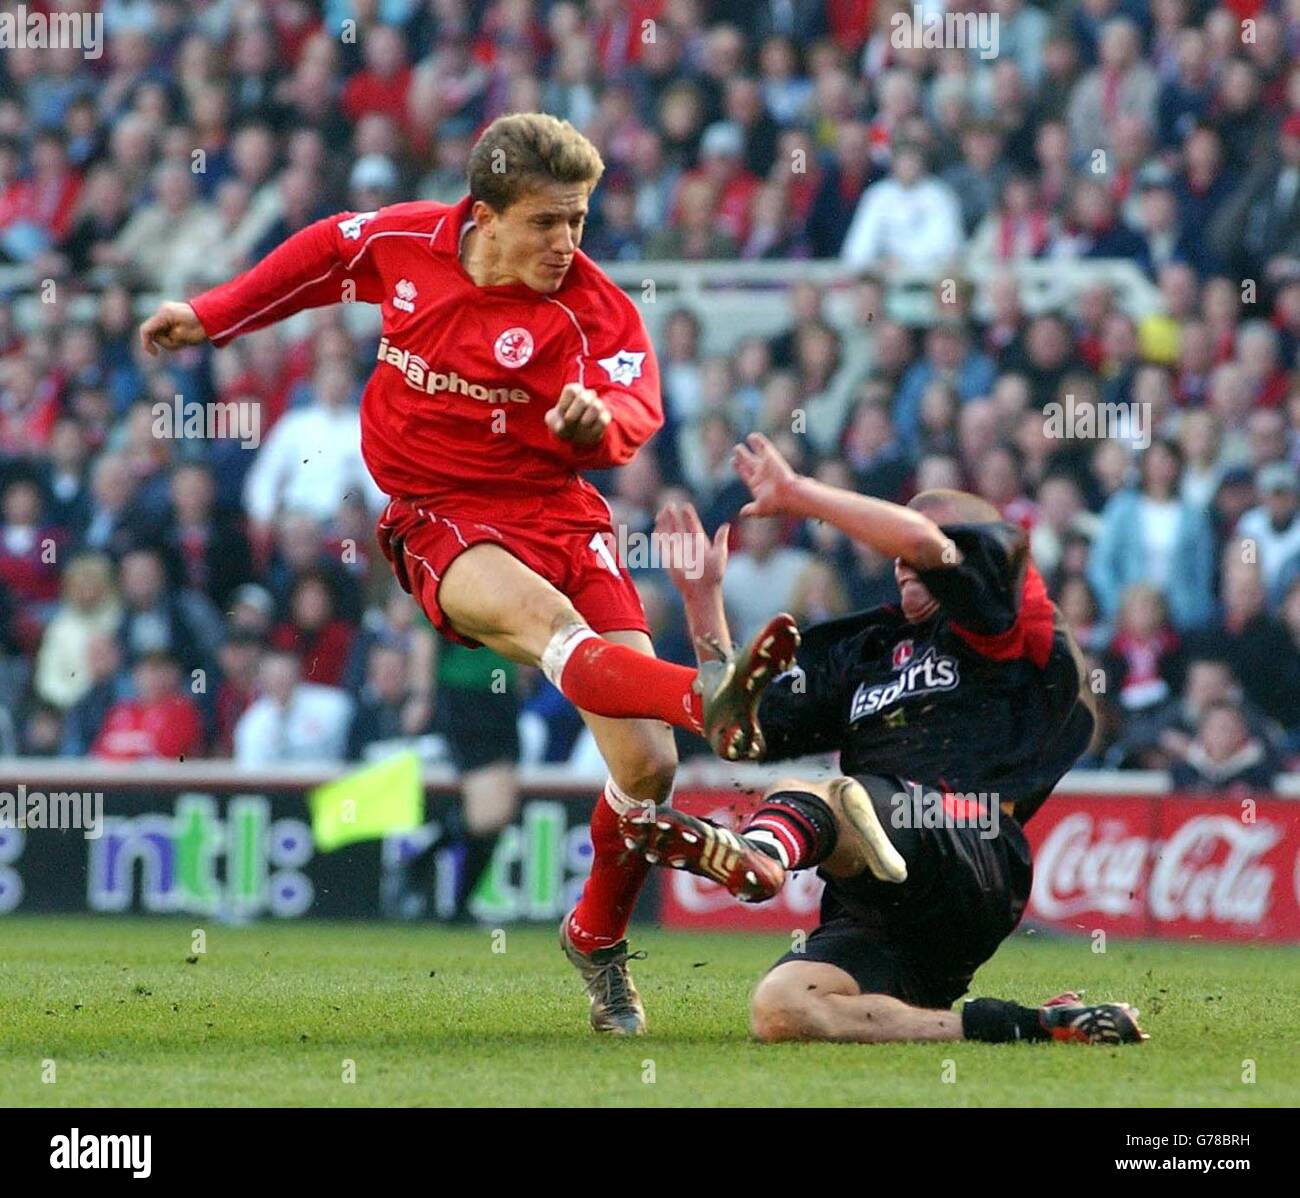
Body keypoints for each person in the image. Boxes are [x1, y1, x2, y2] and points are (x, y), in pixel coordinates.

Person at [138, 112, 795, 1036]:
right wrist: (212, 313)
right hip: (438, 516)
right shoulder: (409, 241)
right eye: (546, 222)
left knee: (647, 769)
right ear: (482, 216)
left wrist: (594, 430)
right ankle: (711, 695)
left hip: (561, 512)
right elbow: (325, 254)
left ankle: (595, 939)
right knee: (552, 630)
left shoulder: (595, 309)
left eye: (578, 221)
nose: (567, 243)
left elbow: (633, 407)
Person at [624, 434, 1147, 1047]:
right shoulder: (868, 652)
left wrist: (799, 494)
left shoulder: (1008, 626)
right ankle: (1031, 1025)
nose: (903, 565)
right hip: (885, 897)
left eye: (914, 554)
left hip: (968, 845)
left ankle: (761, 854)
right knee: (782, 1010)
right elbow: (739, 733)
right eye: (897, 559)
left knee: (832, 795)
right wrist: (701, 600)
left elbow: (925, 544)